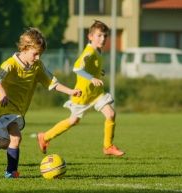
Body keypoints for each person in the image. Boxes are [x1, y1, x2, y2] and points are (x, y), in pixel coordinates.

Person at [0, 28, 81, 179]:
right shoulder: (10, 64)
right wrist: (3, 93)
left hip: (20, 109)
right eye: (35, 53)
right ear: (25, 48)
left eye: (40, 54)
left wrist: (70, 91)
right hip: (5, 105)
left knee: (5, 142)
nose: (38, 57)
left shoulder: (37, 66)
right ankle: (11, 172)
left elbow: (52, 82)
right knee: (16, 138)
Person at [37, 20, 125, 157]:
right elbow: (77, 68)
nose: (103, 39)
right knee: (73, 121)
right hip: (82, 94)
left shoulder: (97, 51)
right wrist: (92, 78)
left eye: (105, 36)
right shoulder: (89, 51)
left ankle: (108, 146)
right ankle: (45, 136)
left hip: (96, 94)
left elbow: (90, 69)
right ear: (90, 37)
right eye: (99, 35)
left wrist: (97, 73)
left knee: (111, 114)